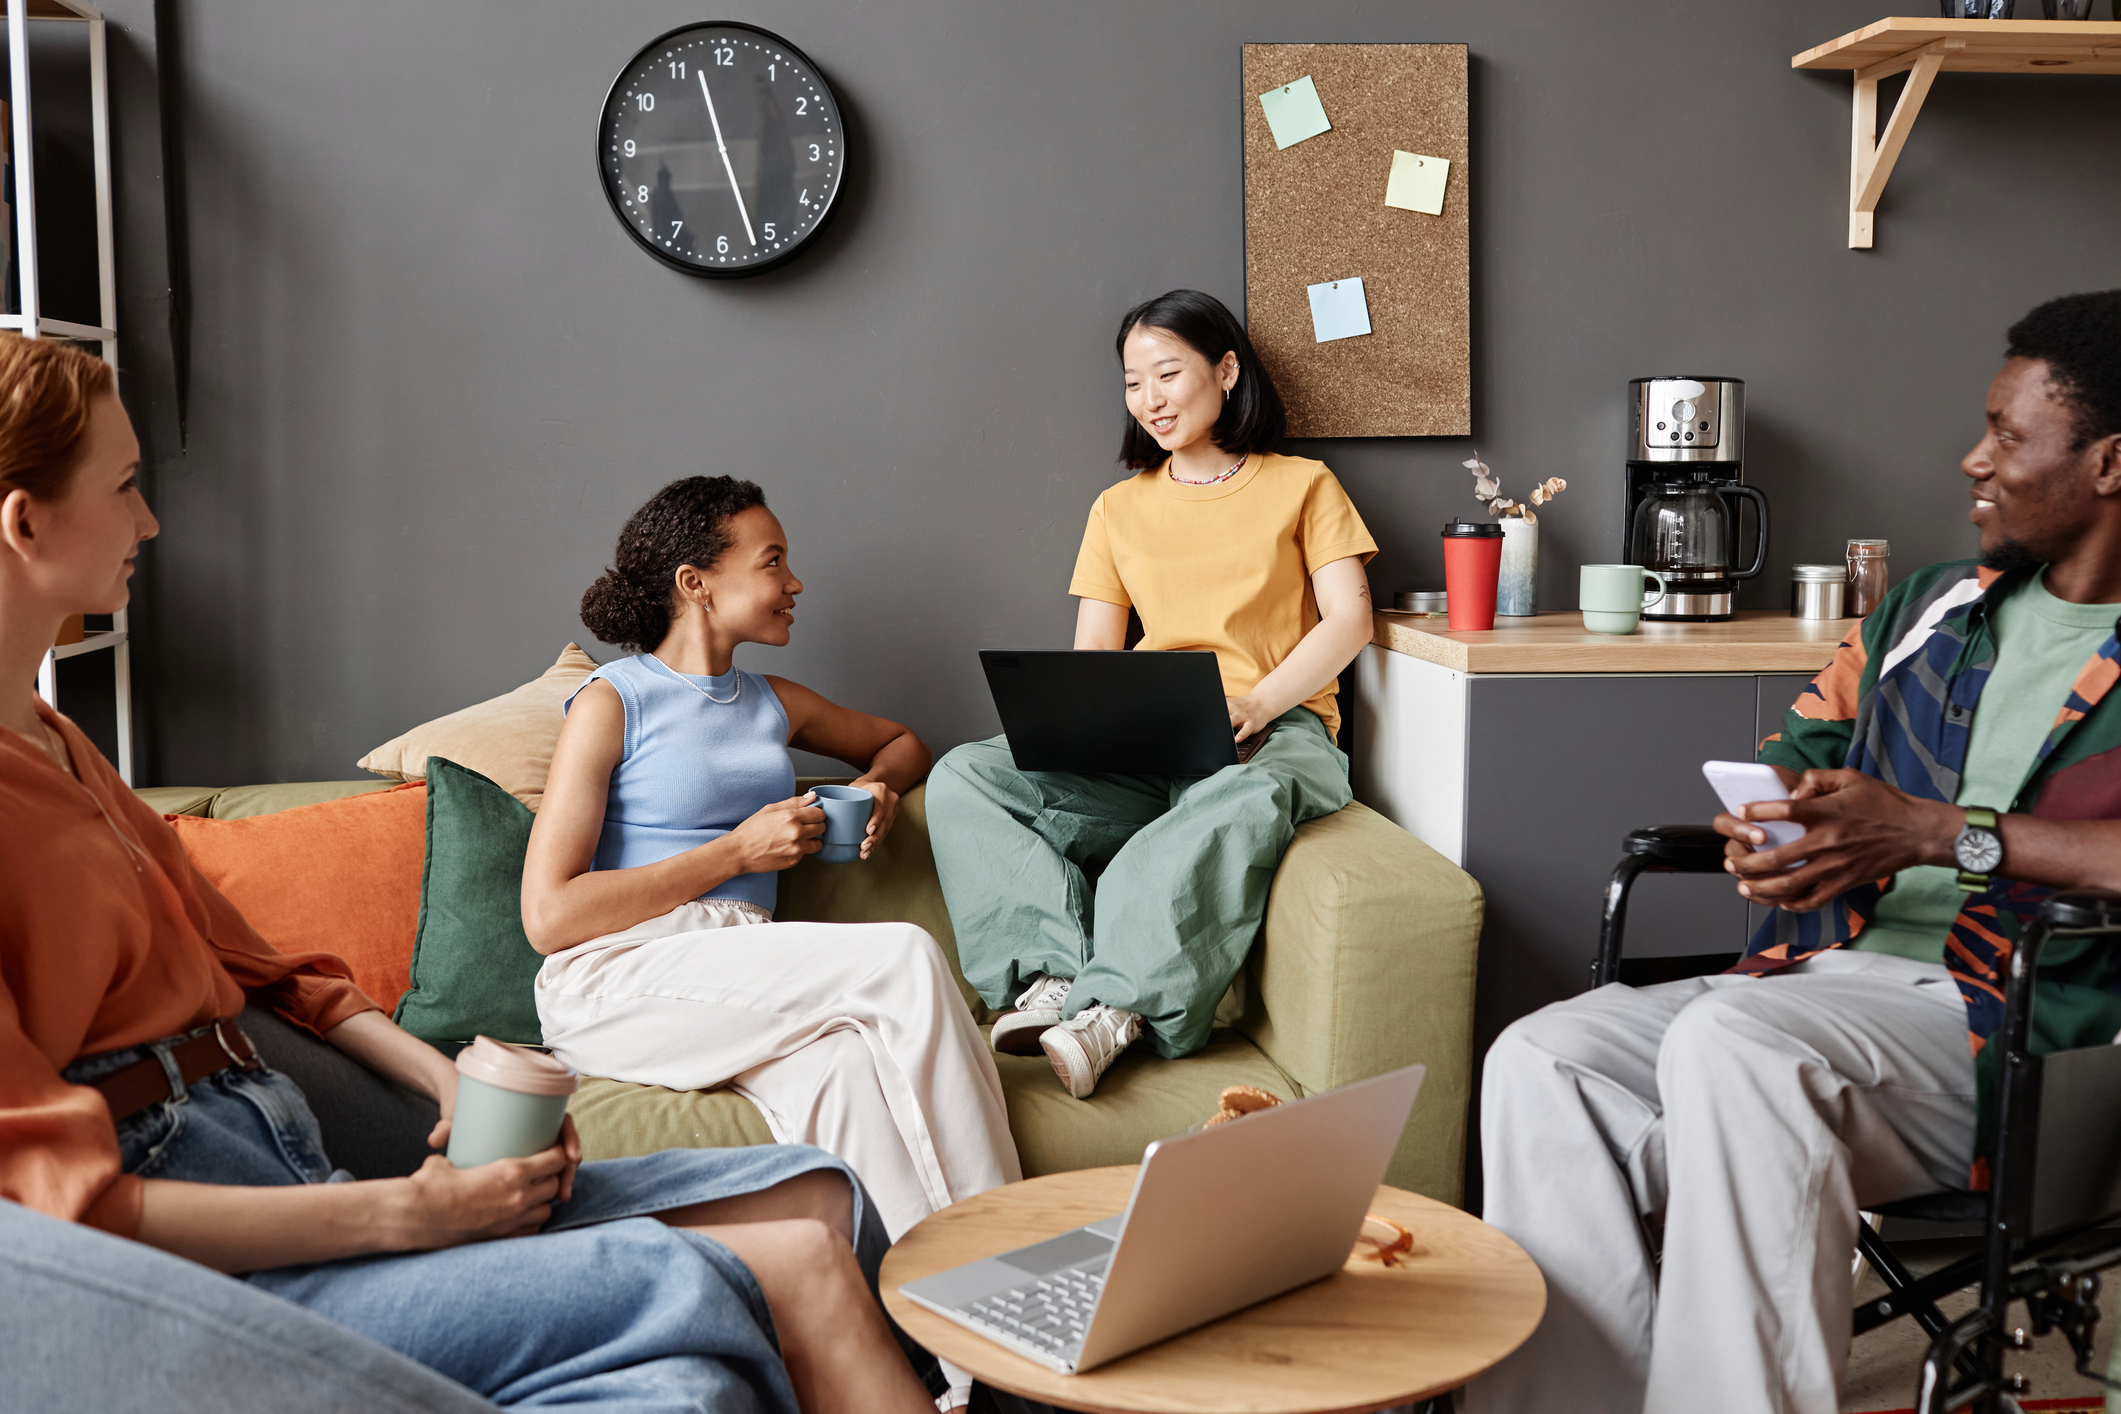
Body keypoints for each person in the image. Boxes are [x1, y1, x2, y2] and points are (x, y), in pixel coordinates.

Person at [0, 333, 950, 1413]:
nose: (152, 520)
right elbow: (50, 1205)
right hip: (202, 1224)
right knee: (792, 1269)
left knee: (817, 1200)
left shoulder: (58, 739)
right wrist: (410, 1214)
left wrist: (450, 1080)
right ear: (24, 522)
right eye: (127, 486)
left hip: (288, 1142)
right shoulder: (619, 701)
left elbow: (273, 970)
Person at [1469, 290, 2121, 1414]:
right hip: (1820, 986)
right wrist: (1767, 836)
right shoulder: (1928, 609)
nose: (1974, 459)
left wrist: (1929, 831)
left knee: (1735, 1040)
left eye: (2009, 438)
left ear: (2110, 463)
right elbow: (1794, 760)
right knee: (1541, 1060)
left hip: (2020, 1032)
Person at [520, 477, 1022, 1409]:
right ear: (695, 582)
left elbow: (904, 742)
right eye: (773, 561)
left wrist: (876, 789)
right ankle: (1023, 1298)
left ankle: (961, 1377)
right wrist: (734, 852)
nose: (796, 582)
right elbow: (549, 916)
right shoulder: (612, 701)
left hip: (740, 971)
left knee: (850, 1077)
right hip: (618, 974)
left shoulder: (773, 701)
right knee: (905, 955)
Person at [927, 289, 1378, 1099]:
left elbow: (1349, 621)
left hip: (1277, 732)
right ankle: (1051, 984)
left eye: (1167, 374)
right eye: (1133, 383)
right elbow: (1094, 653)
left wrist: (1261, 703)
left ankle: (1116, 1009)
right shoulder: (1118, 507)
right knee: (964, 774)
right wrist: (1083, 728)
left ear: (1226, 370)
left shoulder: (1302, 485)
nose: (1150, 400)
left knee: (1242, 795)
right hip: (1147, 743)